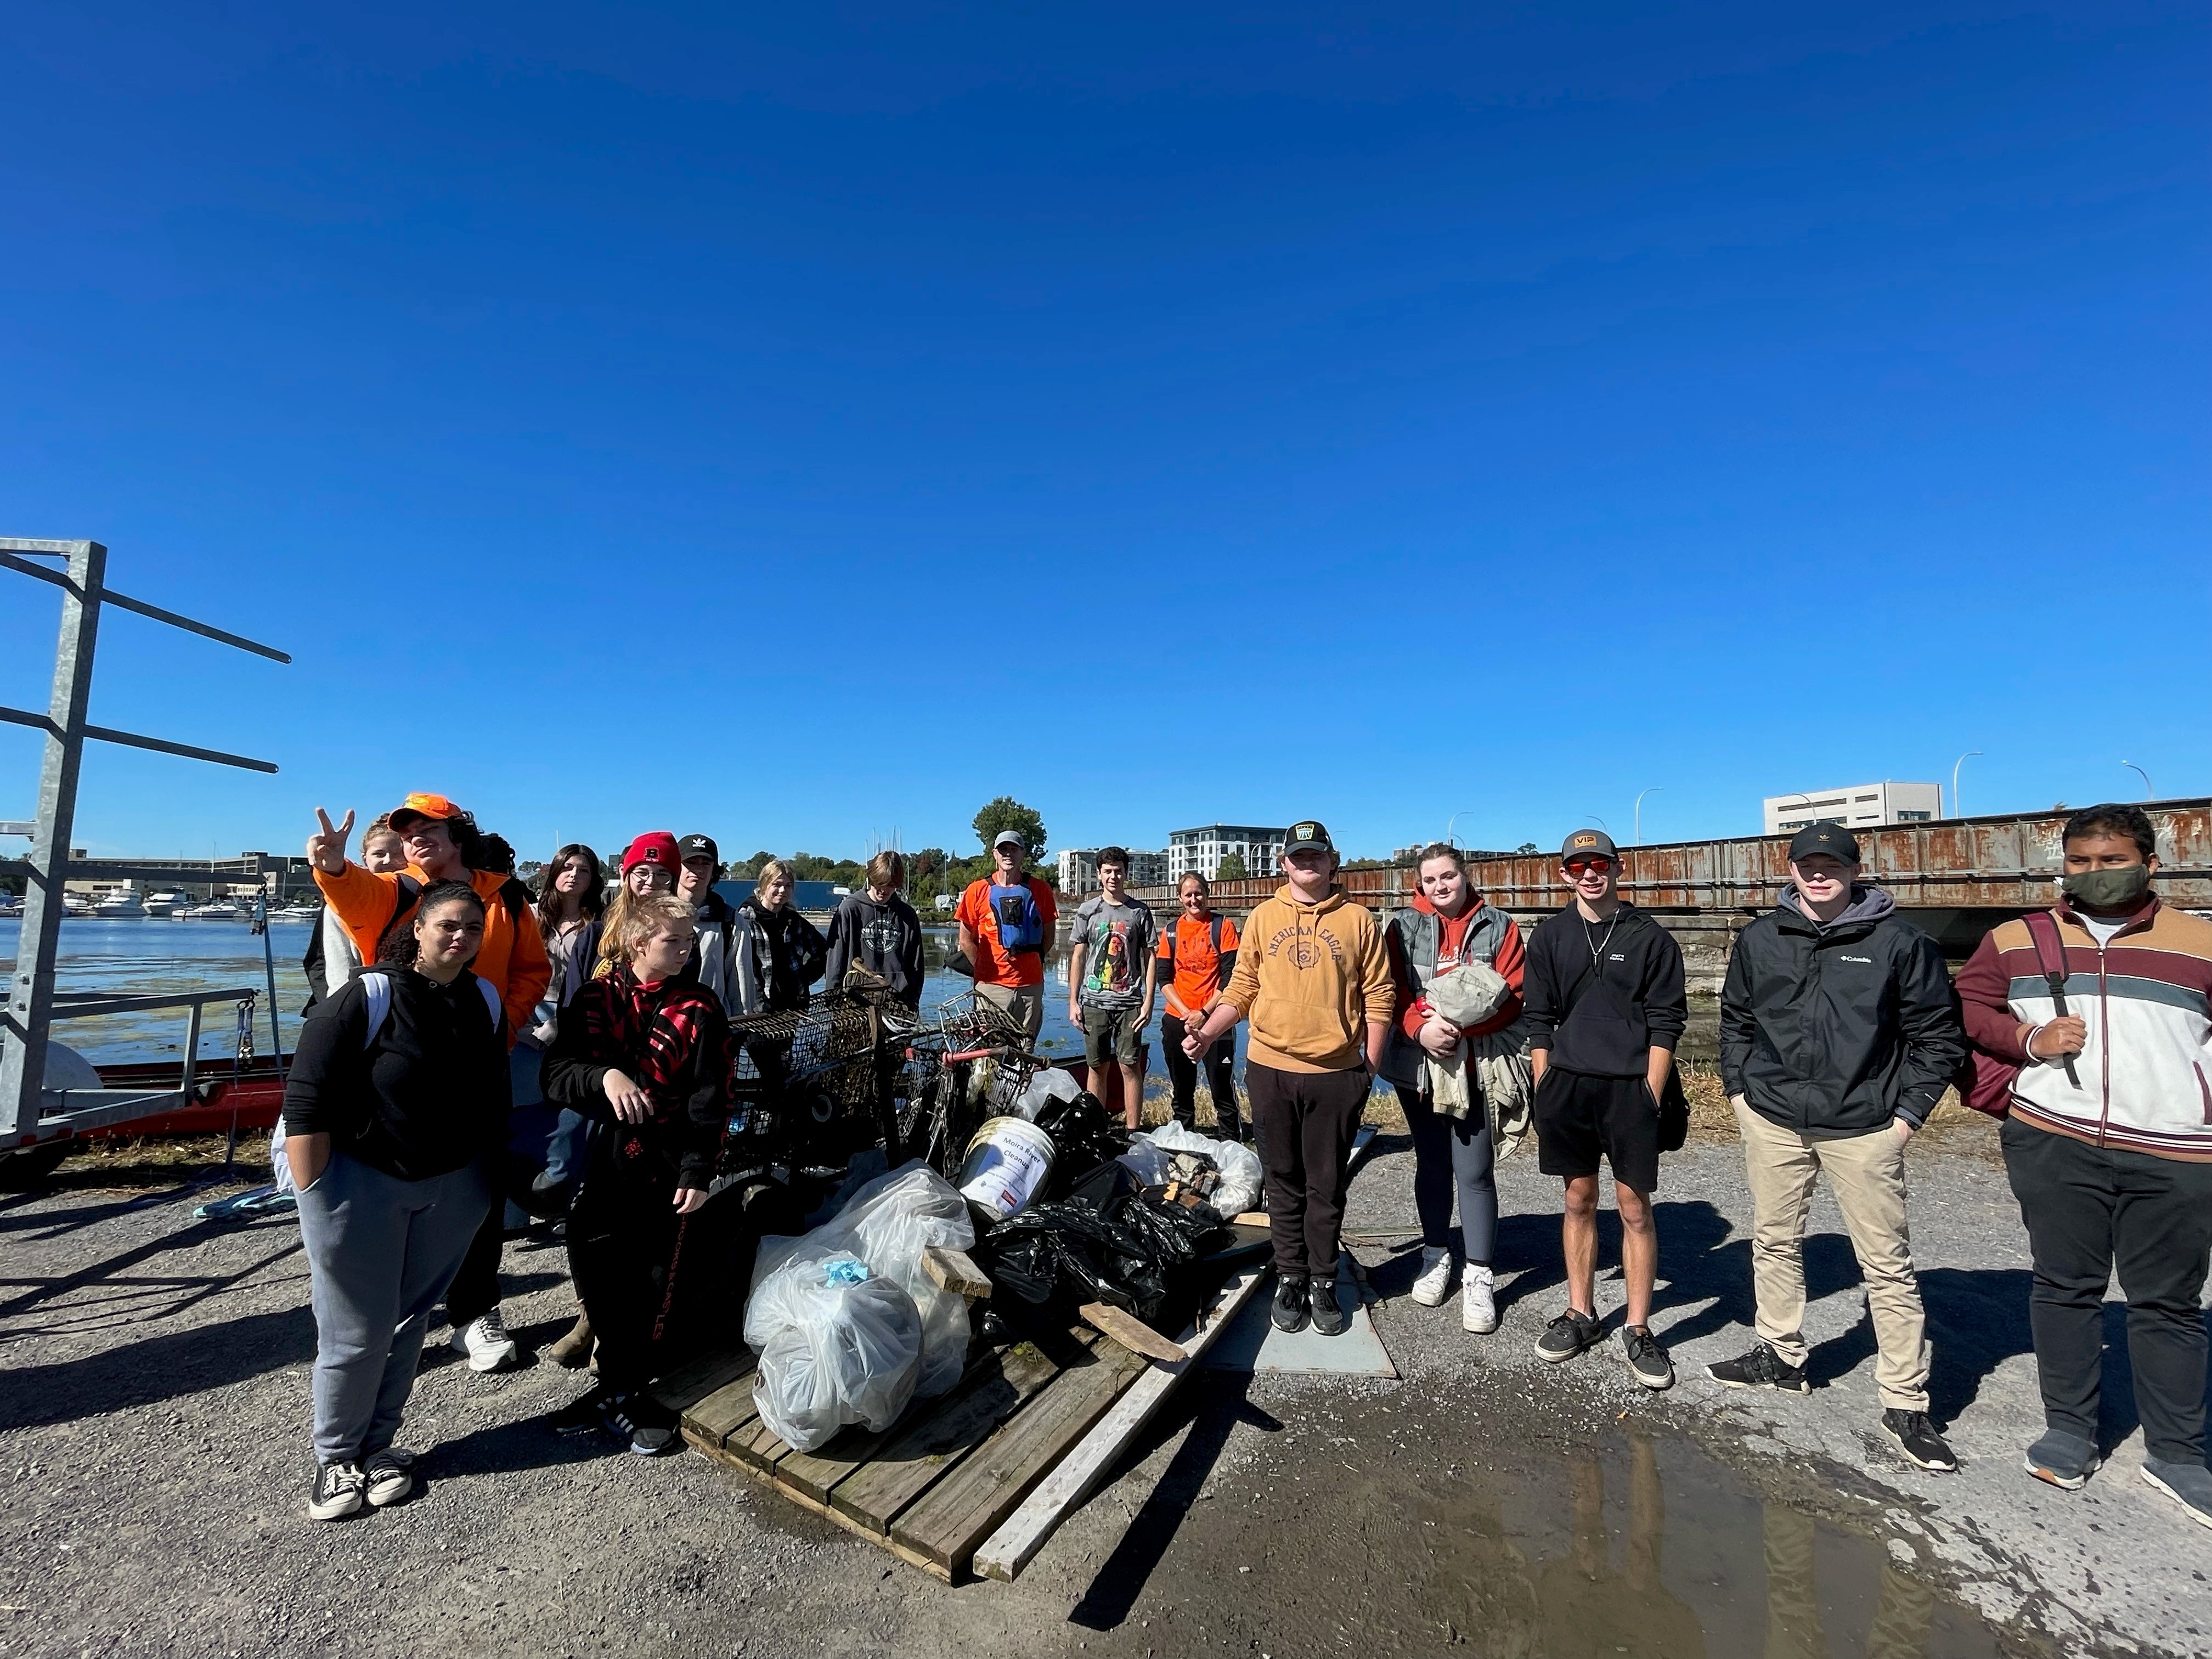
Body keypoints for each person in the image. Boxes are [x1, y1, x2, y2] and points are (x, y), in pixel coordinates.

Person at [1956, 803, 2212, 1527]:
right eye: (2080, 863)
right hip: (2054, 1138)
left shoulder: (2198, 943)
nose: (2095, 874)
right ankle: (2070, 1430)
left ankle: (2178, 1454)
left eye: (2111, 860)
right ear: (2062, 866)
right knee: (2065, 1286)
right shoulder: (2014, 940)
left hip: (2176, 1150)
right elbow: (1966, 1010)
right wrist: (2027, 1044)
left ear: (2150, 864)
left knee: (2167, 1300)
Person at [1708, 822, 1965, 1474]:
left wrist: (1906, 1117)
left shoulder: (1901, 944)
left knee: (1886, 1264)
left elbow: (1938, 1037)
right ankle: (1780, 1353)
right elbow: (1735, 1020)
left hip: (1866, 1126)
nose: (1819, 874)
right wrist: (1740, 1092)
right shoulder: (1762, 939)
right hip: (1773, 1118)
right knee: (1774, 1238)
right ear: (1790, 870)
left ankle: (1905, 1401)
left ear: (1855, 869)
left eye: (1832, 864)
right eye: (1807, 864)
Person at [282, 881, 509, 1519]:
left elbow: (492, 1096)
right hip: (362, 1182)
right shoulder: (368, 995)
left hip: (452, 1185)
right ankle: (335, 1460)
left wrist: (488, 1184)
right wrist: (317, 1192)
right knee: (356, 1331)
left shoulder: (484, 999)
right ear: (419, 928)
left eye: (472, 927)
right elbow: (305, 1104)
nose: (460, 937)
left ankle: (378, 1446)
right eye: (448, 926)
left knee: (411, 1321)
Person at [306, 794, 552, 1374]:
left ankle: (475, 1315)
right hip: (405, 1063)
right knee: (393, 1193)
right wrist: (334, 869)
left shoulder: (506, 895)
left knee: (479, 1193)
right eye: (406, 829)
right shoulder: (399, 891)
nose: (415, 837)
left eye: (427, 828)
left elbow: (531, 970)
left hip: (480, 1065)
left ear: (458, 834)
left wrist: (504, 1026)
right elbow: (356, 898)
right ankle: (392, 1322)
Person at [1177, 821, 1393, 1339]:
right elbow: (1243, 986)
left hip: (1337, 1074)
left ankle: (1323, 1278)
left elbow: (1379, 995)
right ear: (1284, 863)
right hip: (1271, 1069)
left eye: (1316, 855)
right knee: (1283, 1182)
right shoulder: (1262, 917)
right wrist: (1207, 1034)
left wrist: (1370, 1067)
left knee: (1327, 1185)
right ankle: (1290, 1274)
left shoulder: (1359, 920)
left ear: (1332, 859)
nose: (1308, 864)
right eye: (1298, 857)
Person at [541, 893, 731, 1455]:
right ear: (638, 942)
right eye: (674, 941)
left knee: (653, 1277)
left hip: (665, 1165)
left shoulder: (700, 1007)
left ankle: (629, 1389)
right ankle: (616, 1382)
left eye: (689, 940)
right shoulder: (594, 998)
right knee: (594, 1265)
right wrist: (604, 1078)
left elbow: (711, 1098)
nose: (686, 949)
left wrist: (699, 1171)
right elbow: (555, 1075)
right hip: (600, 1163)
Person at [1522, 828, 1685, 1390]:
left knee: (1634, 1205)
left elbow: (1667, 1019)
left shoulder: (1650, 938)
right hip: (1568, 1087)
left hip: (1629, 1088)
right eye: (1578, 866)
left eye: (1600, 864)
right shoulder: (1548, 937)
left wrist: (1651, 1091)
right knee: (1578, 1198)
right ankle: (1580, 1313)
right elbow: (1537, 1017)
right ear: (1563, 874)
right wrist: (1545, 1082)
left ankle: (1638, 1327)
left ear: (1619, 868)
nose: (1590, 874)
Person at [1380, 842, 1526, 1335]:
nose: (1441, 887)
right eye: (1431, 880)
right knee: (1432, 1162)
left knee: (1475, 1169)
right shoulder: (1402, 928)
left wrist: (1462, 1028)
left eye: (1449, 877)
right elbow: (1392, 989)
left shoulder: (1500, 926)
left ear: (1464, 877)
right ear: (1419, 885)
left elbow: (1514, 996)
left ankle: (1479, 1274)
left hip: (1477, 1067)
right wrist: (1419, 1029)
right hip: (1418, 1068)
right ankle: (1436, 1254)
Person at [280, 814, 409, 1195]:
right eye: (379, 854)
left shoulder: (418, 900)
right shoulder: (340, 908)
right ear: (364, 859)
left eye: (398, 852)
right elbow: (338, 977)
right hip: (365, 1019)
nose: (389, 861)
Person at [1066, 847, 1159, 1128]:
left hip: (1129, 1002)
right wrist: (1073, 1002)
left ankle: (1134, 1131)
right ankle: (1096, 1128)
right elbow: (1079, 957)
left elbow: (1150, 956)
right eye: (1108, 871)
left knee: (1130, 1066)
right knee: (1096, 1066)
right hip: (1094, 1001)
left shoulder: (1139, 912)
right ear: (1099, 874)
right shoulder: (1088, 911)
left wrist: (1149, 1001)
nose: (1113, 876)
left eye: (1118, 871)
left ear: (1126, 873)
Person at [1157, 873, 1243, 1140]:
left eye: (1198, 893)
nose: (1194, 900)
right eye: (1188, 895)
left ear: (1207, 894)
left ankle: (1231, 1142)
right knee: (1182, 1088)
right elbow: (1163, 978)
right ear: (1180, 898)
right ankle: (1183, 1140)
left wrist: (1205, 1012)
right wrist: (1186, 1013)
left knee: (1221, 1087)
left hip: (1216, 1018)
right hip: (1178, 1020)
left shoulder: (1222, 927)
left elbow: (1231, 977)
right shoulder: (1171, 931)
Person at [954, 830, 1059, 1039]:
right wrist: (985, 972)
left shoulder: (1041, 889)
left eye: (1014, 849)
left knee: (1024, 1051)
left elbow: (1049, 937)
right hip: (991, 989)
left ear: (1023, 854)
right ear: (995, 854)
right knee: (990, 1053)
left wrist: (1033, 960)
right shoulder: (977, 890)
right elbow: (966, 941)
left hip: (1030, 986)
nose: (1008, 854)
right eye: (1003, 849)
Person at [823, 850, 926, 1007]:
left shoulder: (907, 915)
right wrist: (833, 998)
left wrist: (913, 1001)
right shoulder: (850, 909)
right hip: (855, 1000)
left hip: (896, 1001)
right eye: (879, 884)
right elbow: (836, 958)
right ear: (871, 879)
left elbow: (916, 964)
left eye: (890, 885)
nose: (883, 891)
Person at [729, 858, 827, 1015]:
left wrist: (802, 980)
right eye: (777, 885)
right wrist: (759, 1003)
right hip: (757, 1010)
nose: (782, 890)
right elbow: (741, 968)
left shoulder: (794, 921)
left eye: (788, 886)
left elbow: (823, 951)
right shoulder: (745, 921)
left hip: (792, 1007)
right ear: (764, 885)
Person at [594, 832, 682, 978]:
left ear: (673, 881)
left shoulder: (684, 938)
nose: (651, 881)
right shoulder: (594, 935)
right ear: (627, 876)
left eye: (662, 874)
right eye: (642, 872)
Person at [674, 834, 741, 1012]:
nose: (699, 869)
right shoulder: (656, 917)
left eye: (706, 863)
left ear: (714, 870)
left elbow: (739, 987)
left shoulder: (731, 921)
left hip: (712, 1024)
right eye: (691, 862)